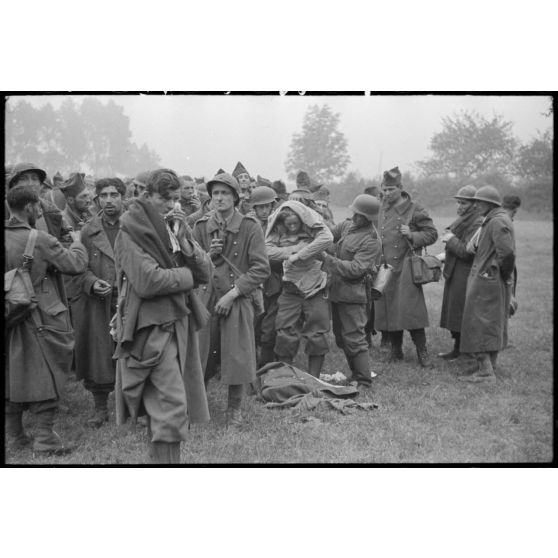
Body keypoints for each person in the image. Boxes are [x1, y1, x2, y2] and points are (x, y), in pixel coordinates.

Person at [113, 168, 211, 463]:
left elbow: (206, 271)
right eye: (164, 198)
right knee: (169, 407)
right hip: (151, 330)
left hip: (178, 324)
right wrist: (185, 275)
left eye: (175, 199)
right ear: (146, 196)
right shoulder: (129, 232)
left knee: (168, 408)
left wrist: (185, 243)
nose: (171, 205)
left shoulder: (171, 228)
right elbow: (147, 281)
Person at [5, 185, 88, 454]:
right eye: (38, 207)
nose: (39, 211)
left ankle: (15, 437)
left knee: (11, 374)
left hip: (9, 316)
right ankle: (44, 438)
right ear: (29, 207)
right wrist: (77, 243)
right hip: (40, 314)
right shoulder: (39, 239)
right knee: (48, 372)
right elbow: (74, 266)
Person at [193, 172, 270, 426]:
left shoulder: (250, 226)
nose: (219, 198)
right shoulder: (202, 226)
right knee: (201, 351)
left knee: (237, 354)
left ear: (236, 197)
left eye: (225, 193)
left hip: (237, 296)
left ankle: (234, 410)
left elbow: (261, 268)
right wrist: (206, 254)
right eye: (215, 193)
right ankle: (196, 406)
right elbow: (192, 265)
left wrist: (233, 293)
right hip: (206, 297)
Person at [73, 178, 126, 428]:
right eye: (103, 195)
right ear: (97, 199)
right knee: (99, 353)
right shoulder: (88, 230)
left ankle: (135, 405)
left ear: (123, 197)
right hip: (99, 300)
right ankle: (100, 408)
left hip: (129, 298)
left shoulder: (134, 226)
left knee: (133, 350)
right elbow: (77, 267)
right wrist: (91, 282)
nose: (108, 200)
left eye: (114, 194)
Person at [373, 167, 438, 367]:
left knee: (411, 311)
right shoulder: (380, 208)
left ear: (400, 188)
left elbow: (431, 233)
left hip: (407, 266)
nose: (386, 193)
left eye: (391, 189)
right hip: (385, 267)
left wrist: (412, 234)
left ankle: (422, 351)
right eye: (384, 189)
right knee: (388, 309)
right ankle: (396, 350)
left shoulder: (415, 209)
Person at [266, 200, 333, 377]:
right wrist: (296, 249)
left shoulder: (313, 225)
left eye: (296, 223)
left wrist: (300, 256)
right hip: (290, 288)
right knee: (285, 331)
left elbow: (327, 238)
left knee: (317, 332)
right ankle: (286, 378)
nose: (293, 227)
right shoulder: (276, 229)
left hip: (315, 287)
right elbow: (267, 250)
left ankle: (314, 379)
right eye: (289, 224)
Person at [323, 194, 381, 390]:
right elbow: (328, 235)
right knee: (341, 337)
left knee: (354, 337)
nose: (356, 217)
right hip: (337, 290)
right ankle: (355, 374)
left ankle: (364, 379)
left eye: (360, 215)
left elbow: (356, 269)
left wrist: (326, 258)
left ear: (369, 218)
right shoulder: (348, 226)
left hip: (354, 294)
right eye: (355, 213)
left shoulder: (372, 240)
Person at [458, 186, 516, 382]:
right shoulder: (494, 219)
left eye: (479, 202)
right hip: (489, 279)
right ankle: (490, 366)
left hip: (487, 281)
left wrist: (497, 273)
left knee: (480, 323)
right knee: (490, 322)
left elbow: (507, 253)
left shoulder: (497, 222)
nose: (476, 205)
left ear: (490, 204)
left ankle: (486, 372)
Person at [437, 185, 483, 360]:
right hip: (455, 271)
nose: (459, 206)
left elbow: (466, 251)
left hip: (465, 273)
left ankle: (466, 351)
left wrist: (450, 239)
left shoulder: (477, 222)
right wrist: (442, 256)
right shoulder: (464, 219)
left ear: (475, 204)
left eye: (463, 203)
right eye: (458, 202)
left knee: (461, 313)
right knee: (454, 313)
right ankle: (457, 349)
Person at [249, 185, 281, 366]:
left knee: (270, 329)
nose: (263, 210)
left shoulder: (279, 225)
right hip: (254, 282)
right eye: (259, 207)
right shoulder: (249, 225)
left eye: (266, 206)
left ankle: (266, 366)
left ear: (272, 206)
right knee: (252, 326)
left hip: (274, 283)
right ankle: (251, 365)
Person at [7, 162, 74, 244]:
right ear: (14, 184)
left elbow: (68, 236)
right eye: (23, 179)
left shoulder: (51, 209)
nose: (30, 183)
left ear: (41, 185)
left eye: (34, 179)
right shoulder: (6, 208)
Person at [502, 194, 521, 314]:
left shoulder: (500, 219)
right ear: (515, 210)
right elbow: (506, 254)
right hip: (504, 269)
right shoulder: (503, 222)